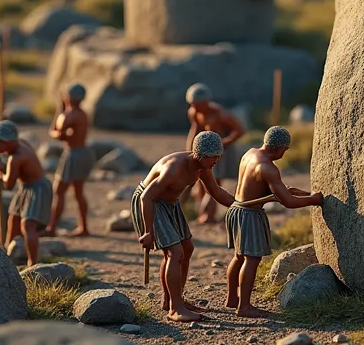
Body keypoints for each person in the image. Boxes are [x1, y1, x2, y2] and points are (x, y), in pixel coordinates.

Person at [131, 131, 236, 323]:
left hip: (171, 203)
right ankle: (175, 308)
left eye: (219, 156)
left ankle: (172, 298)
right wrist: (148, 231)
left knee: (187, 248)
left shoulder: (203, 168)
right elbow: (147, 196)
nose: (217, 160)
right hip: (151, 203)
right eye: (214, 157)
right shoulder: (174, 169)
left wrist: (240, 205)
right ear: (200, 155)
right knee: (175, 252)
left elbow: (216, 192)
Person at [225, 126, 324, 318]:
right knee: (252, 259)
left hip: (236, 209)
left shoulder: (250, 153)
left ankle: (232, 298)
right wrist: (314, 200)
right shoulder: (269, 168)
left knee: (239, 257)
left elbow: (254, 185)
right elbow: (288, 202)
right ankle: (244, 306)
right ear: (281, 149)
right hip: (249, 214)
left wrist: (277, 191)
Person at [0, 119, 53, 267]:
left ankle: (33, 262)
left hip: (37, 189)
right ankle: (8, 253)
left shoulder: (15, 158)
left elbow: (9, 184)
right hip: (25, 188)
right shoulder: (21, 143)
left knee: (28, 224)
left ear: (10, 141)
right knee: (14, 219)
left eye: (0, 142)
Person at [185, 83, 245, 224]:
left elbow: (240, 130)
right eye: (192, 104)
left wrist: (221, 144)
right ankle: (202, 213)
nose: (194, 107)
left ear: (206, 102)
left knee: (214, 181)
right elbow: (195, 129)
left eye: (197, 104)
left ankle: (210, 215)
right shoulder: (194, 112)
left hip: (222, 150)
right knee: (200, 180)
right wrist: (189, 150)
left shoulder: (220, 114)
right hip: (205, 150)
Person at [45, 83, 95, 237]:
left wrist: (59, 109)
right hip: (84, 152)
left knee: (59, 190)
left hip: (73, 154)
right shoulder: (83, 114)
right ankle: (84, 226)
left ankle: (52, 227)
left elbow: (57, 133)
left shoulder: (70, 114)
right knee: (78, 192)